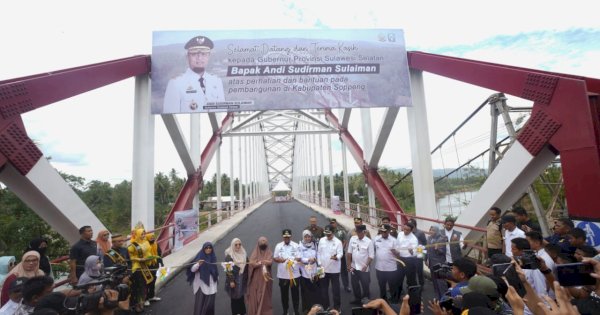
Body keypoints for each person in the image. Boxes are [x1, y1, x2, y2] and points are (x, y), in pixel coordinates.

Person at [162, 35, 225, 113]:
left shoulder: (217, 82)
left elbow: (222, 110)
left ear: (209, 56)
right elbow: (170, 115)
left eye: (204, 54)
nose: (199, 58)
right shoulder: (175, 84)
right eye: (194, 54)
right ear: (187, 57)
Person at [273, 229, 300, 315]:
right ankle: (285, 311)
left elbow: (299, 257)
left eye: (288, 237)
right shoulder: (278, 246)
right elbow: (275, 258)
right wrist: (279, 260)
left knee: (295, 295)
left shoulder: (296, 245)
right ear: (283, 237)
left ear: (290, 236)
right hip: (283, 275)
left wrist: (293, 261)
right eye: (285, 237)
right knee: (284, 295)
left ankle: (296, 311)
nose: (286, 238)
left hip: (294, 274)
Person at [188, 242, 218, 315]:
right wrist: (198, 264)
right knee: (200, 305)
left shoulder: (213, 257)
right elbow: (192, 269)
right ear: (203, 249)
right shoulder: (200, 256)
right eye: (206, 248)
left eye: (210, 248)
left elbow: (215, 271)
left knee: (210, 305)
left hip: (212, 285)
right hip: (201, 285)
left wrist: (216, 279)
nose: (208, 249)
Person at [347, 224, 374, 305]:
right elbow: (349, 253)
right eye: (357, 232)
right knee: (354, 284)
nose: (358, 234)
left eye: (359, 232)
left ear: (364, 232)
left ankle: (366, 300)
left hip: (364, 268)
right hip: (354, 267)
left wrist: (365, 266)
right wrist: (348, 264)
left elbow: (371, 256)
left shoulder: (369, 242)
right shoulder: (353, 239)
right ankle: (357, 299)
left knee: (365, 284)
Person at [245, 236, 273, 315]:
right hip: (256, 280)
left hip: (265, 279)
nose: (263, 242)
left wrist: (265, 262)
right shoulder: (255, 252)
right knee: (255, 296)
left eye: (264, 241)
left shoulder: (269, 252)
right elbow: (251, 263)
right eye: (262, 241)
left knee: (265, 297)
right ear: (258, 243)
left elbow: (270, 261)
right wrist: (257, 263)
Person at [317, 225, 343, 310]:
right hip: (322, 269)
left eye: (329, 234)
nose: (327, 236)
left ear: (333, 232)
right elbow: (318, 253)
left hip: (334, 270)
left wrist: (336, 257)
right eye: (326, 234)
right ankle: (326, 307)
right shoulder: (321, 240)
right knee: (323, 290)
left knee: (335, 290)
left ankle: (337, 308)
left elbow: (340, 253)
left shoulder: (338, 242)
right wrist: (320, 264)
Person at [127, 228, 152, 313]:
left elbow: (149, 252)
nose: (143, 235)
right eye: (142, 234)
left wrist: (150, 258)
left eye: (144, 234)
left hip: (146, 265)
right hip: (137, 267)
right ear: (137, 235)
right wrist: (139, 259)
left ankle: (142, 302)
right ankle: (137, 304)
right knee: (138, 286)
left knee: (144, 285)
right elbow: (130, 257)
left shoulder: (146, 242)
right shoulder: (133, 245)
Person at [392, 222, 418, 301]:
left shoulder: (414, 239)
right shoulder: (400, 234)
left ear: (411, 230)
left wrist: (411, 251)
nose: (405, 231)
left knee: (411, 281)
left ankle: (413, 298)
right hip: (400, 259)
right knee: (398, 279)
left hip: (409, 261)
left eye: (408, 230)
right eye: (404, 229)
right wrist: (396, 252)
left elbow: (415, 252)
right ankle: (396, 297)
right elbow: (397, 245)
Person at [373, 224, 398, 302]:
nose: (383, 233)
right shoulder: (376, 239)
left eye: (385, 231)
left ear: (388, 231)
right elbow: (372, 249)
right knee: (381, 286)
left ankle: (394, 302)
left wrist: (395, 252)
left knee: (392, 286)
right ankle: (383, 301)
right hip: (379, 268)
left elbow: (399, 254)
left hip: (391, 268)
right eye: (381, 231)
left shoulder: (394, 240)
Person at [224, 238, 248, 315]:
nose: (238, 246)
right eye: (236, 244)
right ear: (232, 245)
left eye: (239, 244)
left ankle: (242, 312)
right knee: (234, 297)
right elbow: (228, 269)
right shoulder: (229, 255)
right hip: (234, 279)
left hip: (241, 278)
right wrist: (231, 281)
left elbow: (248, 263)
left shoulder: (243, 253)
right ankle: (235, 313)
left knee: (241, 296)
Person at [296, 230, 318, 313]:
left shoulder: (314, 244)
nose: (307, 238)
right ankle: (306, 309)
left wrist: (315, 259)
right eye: (305, 237)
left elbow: (317, 254)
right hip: (304, 273)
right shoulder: (300, 246)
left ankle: (315, 308)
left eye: (309, 236)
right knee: (305, 292)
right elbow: (299, 258)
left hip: (314, 272)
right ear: (303, 237)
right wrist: (308, 259)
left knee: (314, 291)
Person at [329, 218, 351, 292]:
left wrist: (340, 250)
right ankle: (335, 285)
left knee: (343, 271)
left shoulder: (341, 232)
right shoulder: (328, 232)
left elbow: (345, 241)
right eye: (331, 223)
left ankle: (346, 286)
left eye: (334, 223)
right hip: (331, 256)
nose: (333, 224)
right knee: (333, 271)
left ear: (336, 223)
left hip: (340, 254)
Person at [427, 226, 448, 299]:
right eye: (430, 230)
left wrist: (437, 249)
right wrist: (426, 259)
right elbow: (428, 250)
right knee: (434, 281)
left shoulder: (442, 239)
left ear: (437, 231)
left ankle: (444, 299)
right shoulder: (429, 238)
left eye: (433, 230)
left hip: (439, 264)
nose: (431, 231)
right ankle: (437, 297)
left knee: (441, 282)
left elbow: (443, 252)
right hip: (431, 263)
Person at [407, 219, 426, 286]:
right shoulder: (407, 232)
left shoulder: (420, 233)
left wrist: (423, 256)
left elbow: (424, 244)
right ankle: (412, 285)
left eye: (410, 224)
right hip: (409, 255)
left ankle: (421, 285)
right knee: (411, 271)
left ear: (414, 225)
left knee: (419, 271)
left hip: (418, 254)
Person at [146, 232, 163, 303]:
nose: (152, 239)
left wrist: (161, 263)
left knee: (153, 281)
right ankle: (145, 299)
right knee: (147, 282)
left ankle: (152, 296)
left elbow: (159, 254)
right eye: (151, 237)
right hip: (147, 266)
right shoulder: (145, 246)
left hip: (155, 265)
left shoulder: (156, 244)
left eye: (153, 237)